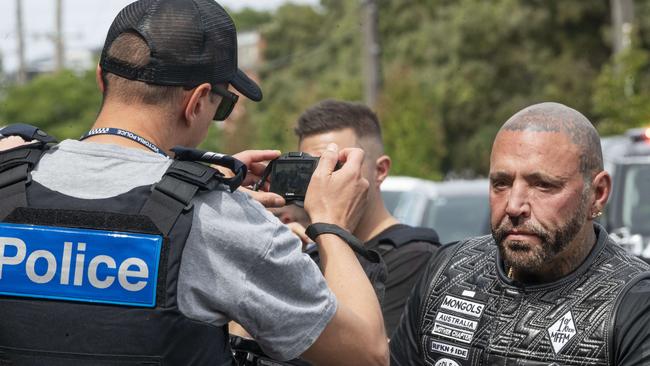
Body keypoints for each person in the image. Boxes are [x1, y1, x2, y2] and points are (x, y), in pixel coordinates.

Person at [0, 1, 388, 365]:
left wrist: (187, 176)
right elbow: (367, 353)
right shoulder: (221, 221)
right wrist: (332, 224)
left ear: (103, 79)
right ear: (198, 101)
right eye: (223, 105)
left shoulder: (7, 179)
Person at [390, 102, 650, 365]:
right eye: (501, 183)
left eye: (543, 185)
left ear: (597, 194)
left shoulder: (636, 304)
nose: (514, 206)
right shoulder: (449, 272)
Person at [293, 99, 441, 334]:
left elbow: (357, 351)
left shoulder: (415, 258)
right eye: (310, 168)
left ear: (379, 171)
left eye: (335, 165)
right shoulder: (307, 252)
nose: (321, 179)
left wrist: (330, 230)